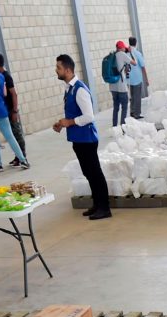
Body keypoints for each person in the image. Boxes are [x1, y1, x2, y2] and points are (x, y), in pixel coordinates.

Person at [54, 54, 111, 220]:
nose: (56, 70)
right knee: (88, 172)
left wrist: (70, 122)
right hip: (78, 139)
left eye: (58, 68)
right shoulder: (69, 88)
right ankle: (97, 204)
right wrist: (62, 123)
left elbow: (89, 116)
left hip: (87, 139)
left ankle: (104, 208)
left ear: (68, 70)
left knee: (95, 173)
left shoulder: (79, 90)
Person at [0, 52, 27, 168]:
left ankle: (23, 157)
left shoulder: (6, 76)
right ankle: (17, 157)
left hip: (11, 110)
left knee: (17, 134)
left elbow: (14, 94)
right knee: (12, 136)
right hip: (5, 111)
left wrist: (15, 111)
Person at [110, 40, 135, 127]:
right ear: (121, 48)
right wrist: (131, 53)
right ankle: (122, 127)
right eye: (124, 47)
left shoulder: (112, 55)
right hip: (121, 87)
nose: (125, 49)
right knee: (124, 107)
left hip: (112, 87)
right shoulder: (122, 54)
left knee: (116, 108)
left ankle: (114, 127)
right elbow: (134, 63)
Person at [127, 36, 149, 119]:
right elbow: (143, 66)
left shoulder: (126, 53)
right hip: (137, 78)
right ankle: (137, 113)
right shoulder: (137, 53)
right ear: (136, 43)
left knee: (132, 96)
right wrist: (146, 79)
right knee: (137, 97)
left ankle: (132, 112)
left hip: (129, 79)